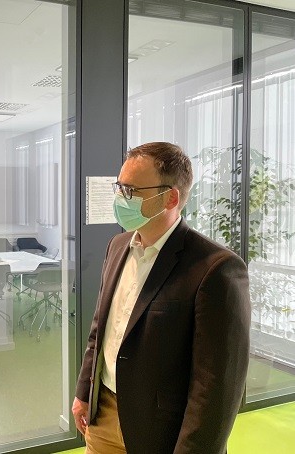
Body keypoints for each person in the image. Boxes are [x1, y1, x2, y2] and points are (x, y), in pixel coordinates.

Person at [72, 142, 250, 454]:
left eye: (131, 191)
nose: (120, 198)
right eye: (119, 187)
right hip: (104, 416)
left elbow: (216, 386)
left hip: (162, 432)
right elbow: (101, 329)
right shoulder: (117, 246)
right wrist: (85, 391)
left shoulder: (215, 268)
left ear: (170, 198)